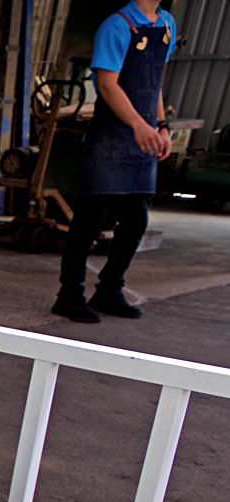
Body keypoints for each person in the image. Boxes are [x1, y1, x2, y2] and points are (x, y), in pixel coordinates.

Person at [52, 0, 176, 324]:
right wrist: (138, 124)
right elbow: (107, 85)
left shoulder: (167, 25)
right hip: (111, 137)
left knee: (136, 221)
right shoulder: (117, 26)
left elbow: (156, 82)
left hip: (145, 136)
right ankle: (69, 296)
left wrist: (161, 126)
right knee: (88, 223)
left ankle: (109, 289)